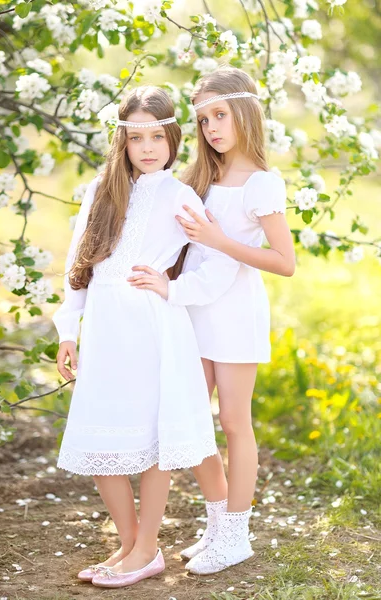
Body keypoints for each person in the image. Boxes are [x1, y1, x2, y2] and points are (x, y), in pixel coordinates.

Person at [52, 85, 239, 588]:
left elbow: (220, 261)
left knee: (158, 440)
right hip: (108, 327)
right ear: (124, 142)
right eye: (137, 138)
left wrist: (172, 289)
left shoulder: (180, 196)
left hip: (155, 326)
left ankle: (147, 546)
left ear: (174, 138)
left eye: (158, 136)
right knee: (100, 436)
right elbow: (79, 265)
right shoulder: (100, 191)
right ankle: (130, 543)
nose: (149, 147)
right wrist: (69, 331)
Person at [130, 67, 295, 575]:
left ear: (244, 113)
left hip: (235, 314)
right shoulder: (202, 179)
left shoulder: (261, 183)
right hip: (190, 308)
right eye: (203, 120)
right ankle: (218, 524)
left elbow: (284, 261)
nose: (212, 129)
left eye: (219, 115)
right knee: (195, 421)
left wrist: (219, 239)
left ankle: (237, 533)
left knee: (232, 422)